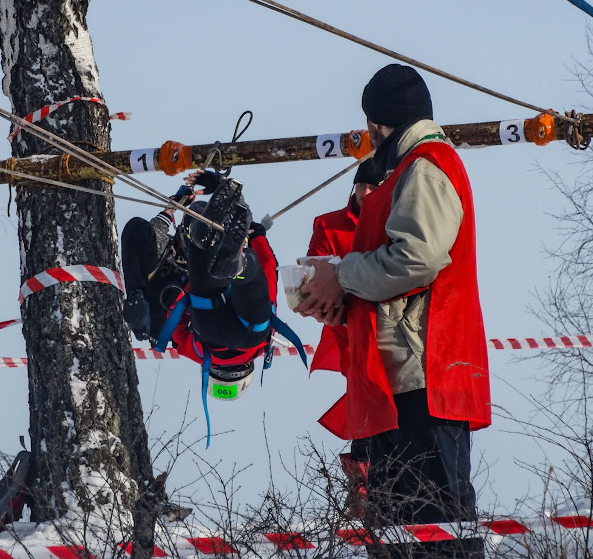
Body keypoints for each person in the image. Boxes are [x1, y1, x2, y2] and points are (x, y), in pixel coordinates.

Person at [296, 64, 491, 558]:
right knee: (402, 536)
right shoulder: (415, 169)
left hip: (424, 378)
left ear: (379, 122)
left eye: (370, 124)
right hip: (405, 377)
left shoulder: (426, 166)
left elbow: (417, 259)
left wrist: (340, 275)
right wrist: (344, 301)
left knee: (434, 532)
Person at [120, 170, 306, 444]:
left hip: (251, 328)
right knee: (203, 270)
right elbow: (173, 322)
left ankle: (238, 260)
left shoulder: (260, 347)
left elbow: (268, 273)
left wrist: (257, 236)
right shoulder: (194, 352)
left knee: (245, 274)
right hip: (207, 324)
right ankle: (212, 243)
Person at [306, 156, 384, 515]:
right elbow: (310, 279)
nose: (366, 193)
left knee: (386, 408)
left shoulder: (396, 222)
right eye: (362, 185)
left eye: (373, 187)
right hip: (348, 331)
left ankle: (373, 488)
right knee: (366, 400)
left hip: (390, 331)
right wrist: (321, 306)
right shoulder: (329, 224)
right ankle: (362, 488)